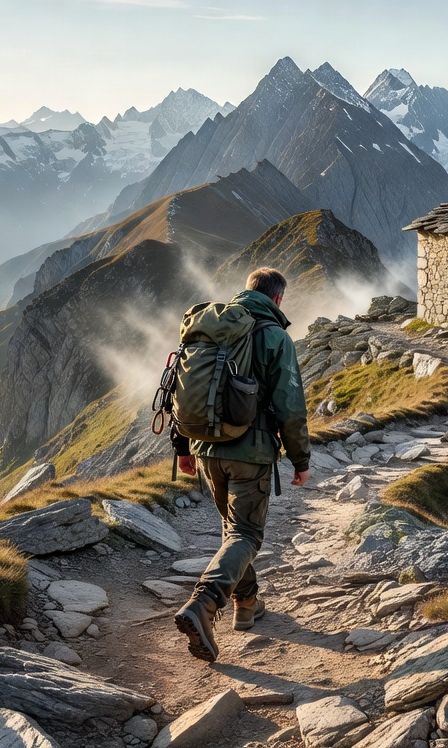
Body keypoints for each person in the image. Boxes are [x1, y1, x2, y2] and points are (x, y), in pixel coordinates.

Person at [172, 267, 310, 663]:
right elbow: (290, 406)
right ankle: (204, 603)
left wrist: (183, 446)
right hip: (249, 454)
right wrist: (300, 460)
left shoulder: (209, 330)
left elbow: (179, 391)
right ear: (278, 299)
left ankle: (247, 604)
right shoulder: (274, 336)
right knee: (246, 534)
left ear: (248, 291)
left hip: (205, 449)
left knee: (233, 531)